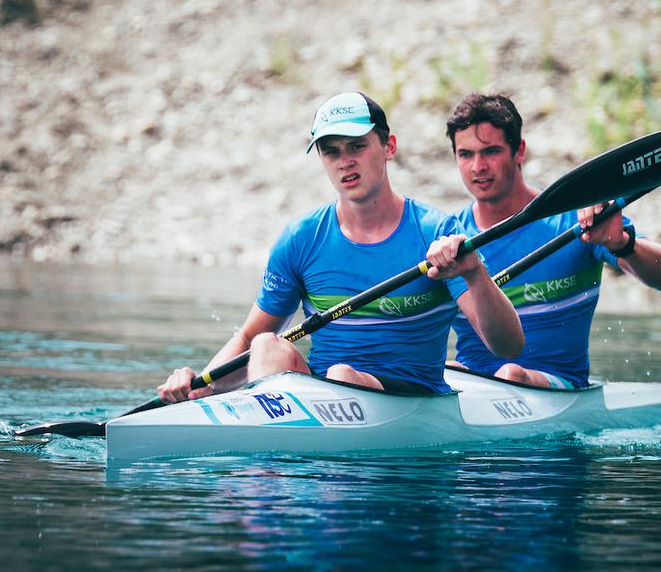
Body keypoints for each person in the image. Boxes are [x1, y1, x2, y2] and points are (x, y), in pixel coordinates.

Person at [158, 91, 523, 401]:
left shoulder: (437, 232)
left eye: (357, 146)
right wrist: (197, 387)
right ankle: (267, 474)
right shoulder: (301, 238)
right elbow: (249, 337)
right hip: (326, 399)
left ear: (388, 147)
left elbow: (508, 347)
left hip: (412, 399)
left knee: (344, 374)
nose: (345, 161)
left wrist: (474, 272)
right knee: (268, 345)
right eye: (331, 152)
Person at [445, 93, 661, 389]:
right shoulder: (449, 239)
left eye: (490, 151)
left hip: (556, 384)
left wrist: (622, 244)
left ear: (519, 151)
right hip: (473, 384)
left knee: (510, 373)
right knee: (442, 369)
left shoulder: (576, 218)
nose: (477, 166)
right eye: (465, 154)